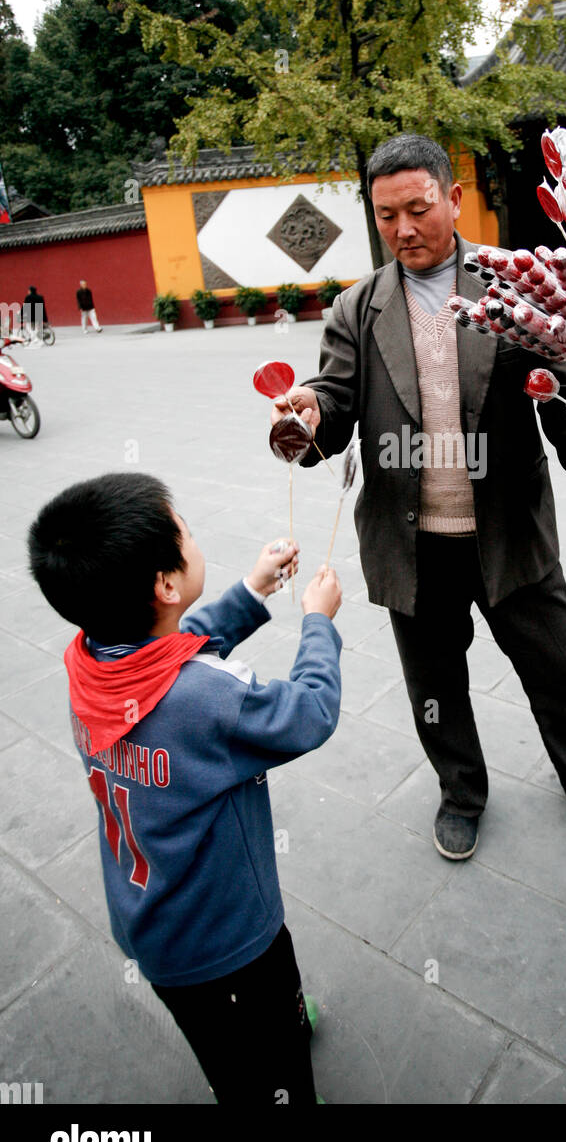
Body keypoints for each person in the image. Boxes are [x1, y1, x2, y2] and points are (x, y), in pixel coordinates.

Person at [272, 134, 566, 862]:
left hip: (510, 529)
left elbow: (562, 402)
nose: (403, 229)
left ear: (453, 199)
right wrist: (306, 418)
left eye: (418, 209)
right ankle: (461, 792)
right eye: (387, 216)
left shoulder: (517, 284)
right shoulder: (357, 309)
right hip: (410, 540)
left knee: (560, 668)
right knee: (435, 686)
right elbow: (332, 402)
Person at [28, 471, 342, 1105]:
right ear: (167, 584)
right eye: (188, 534)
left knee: (217, 1042)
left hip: (149, 923)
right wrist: (317, 624)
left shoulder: (89, 664)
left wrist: (254, 589)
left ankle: (243, 1072)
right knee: (271, 1052)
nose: (197, 541)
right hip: (228, 931)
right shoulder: (206, 698)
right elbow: (308, 714)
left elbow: (171, 649)